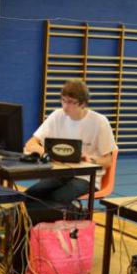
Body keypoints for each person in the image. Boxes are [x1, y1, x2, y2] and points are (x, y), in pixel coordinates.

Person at [23, 79, 116, 209]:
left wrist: (91, 160)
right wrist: (46, 152)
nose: (66, 106)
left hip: (86, 177)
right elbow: (31, 143)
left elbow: (108, 160)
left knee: (56, 198)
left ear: (83, 103)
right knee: (30, 195)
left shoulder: (99, 122)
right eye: (63, 100)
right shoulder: (57, 115)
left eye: (71, 102)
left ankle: (74, 214)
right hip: (60, 173)